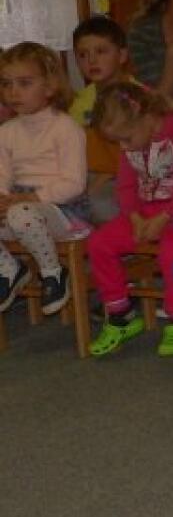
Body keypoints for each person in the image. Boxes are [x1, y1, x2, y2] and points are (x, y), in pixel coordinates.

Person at [86, 80, 173, 358]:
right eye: (118, 141)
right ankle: (121, 315)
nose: (123, 146)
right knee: (99, 243)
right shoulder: (132, 141)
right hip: (146, 213)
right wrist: (134, 218)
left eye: (126, 139)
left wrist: (164, 217)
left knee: (172, 253)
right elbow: (126, 186)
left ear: (147, 116)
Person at [0, 43, 89, 317]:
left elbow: (74, 183)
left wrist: (31, 197)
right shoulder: (6, 131)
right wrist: (2, 198)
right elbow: (2, 173)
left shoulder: (65, 127)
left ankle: (53, 273)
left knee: (21, 214)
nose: (13, 91)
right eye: (6, 83)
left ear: (49, 87)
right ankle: (10, 269)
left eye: (24, 83)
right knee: (16, 213)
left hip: (62, 211)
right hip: (19, 207)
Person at [69, 15, 130, 127]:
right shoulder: (80, 103)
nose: (91, 60)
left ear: (122, 56)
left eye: (101, 51)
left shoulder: (141, 97)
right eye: (83, 55)